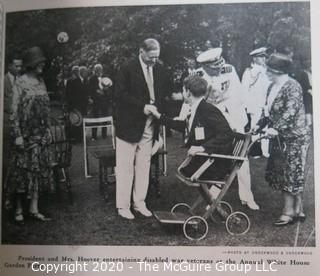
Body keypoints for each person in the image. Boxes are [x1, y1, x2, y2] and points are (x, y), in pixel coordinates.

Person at [195, 47, 260, 210]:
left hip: (233, 117)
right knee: (218, 156)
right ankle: (213, 197)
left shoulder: (229, 71)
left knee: (241, 157)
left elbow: (236, 97)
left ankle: (247, 197)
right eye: (213, 68)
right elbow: (200, 101)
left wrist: (232, 122)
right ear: (206, 67)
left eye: (219, 66)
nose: (218, 70)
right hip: (212, 121)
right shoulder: (199, 75)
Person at [114, 38, 171, 220]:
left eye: (157, 57)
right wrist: (142, 107)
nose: (154, 61)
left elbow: (164, 95)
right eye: (151, 57)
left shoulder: (160, 70)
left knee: (143, 165)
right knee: (125, 168)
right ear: (141, 51)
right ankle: (123, 207)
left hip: (150, 125)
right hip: (128, 125)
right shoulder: (127, 69)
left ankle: (140, 203)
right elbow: (120, 95)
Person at [254, 53, 311, 226]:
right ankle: (298, 210)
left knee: (292, 173)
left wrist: (275, 128)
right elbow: (268, 111)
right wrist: (259, 125)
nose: (266, 73)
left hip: (295, 137)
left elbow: (290, 111)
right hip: (280, 138)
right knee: (285, 173)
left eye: (269, 70)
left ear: (278, 71)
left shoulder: (293, 86)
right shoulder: (272, 87)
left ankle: (289, 212)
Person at [150, 75, 234, 180]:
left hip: (214, 163)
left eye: (183, 91)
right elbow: (182, 126)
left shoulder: (207, 109)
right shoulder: (197, 107)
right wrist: (158, 116)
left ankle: (213, 193)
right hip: (205, 159)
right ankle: (211, 194)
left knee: (185, 172)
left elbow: (227, 133)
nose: (182, 94)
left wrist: (203, 148)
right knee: (184, 171)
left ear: (188, 92)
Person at [9, 46, 53, 223]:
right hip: (24, 135)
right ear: (31, 64)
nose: (42, 64)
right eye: (39, 62)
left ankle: (34, 209)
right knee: (21, 172)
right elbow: (14, 111)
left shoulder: (41, 81)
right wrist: (17, 134)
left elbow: (47, 109)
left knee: (37, 171)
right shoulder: (20, 82)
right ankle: (18, 209)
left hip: (39, 135)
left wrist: (47, 129)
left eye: (42, 61)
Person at [242, 47, 271, 157]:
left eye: (264, 57)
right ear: (254, 58)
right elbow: (244, 89)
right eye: (261, 57)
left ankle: (265, 150)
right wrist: (246, 105)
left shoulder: (266, 70)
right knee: (255, 127)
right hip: (255, 103)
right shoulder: (249, 71)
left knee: (266, 127)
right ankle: (255, 151)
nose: (264, 59)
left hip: (266, 103)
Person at [3, 53, 23, 209]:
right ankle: (6, 195)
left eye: (20, 66)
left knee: (19, 162)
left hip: (19, 125)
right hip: (7, 125)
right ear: (9, 66)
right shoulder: (3, 82)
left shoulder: (21, 81)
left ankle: (18, 196)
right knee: (7, 161)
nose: (19, 68)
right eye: (16, 66)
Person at [88, 64, 113, 140]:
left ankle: (104, 135)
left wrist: (106, 91)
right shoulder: (92, 78)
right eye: (97, 69)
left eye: (100, 69)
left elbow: (109, 88)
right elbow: (90, 89)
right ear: (95, 70)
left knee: (105, 117)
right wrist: (96, 91)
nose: (99, 71)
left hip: (104, 101)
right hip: (96, 102)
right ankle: (94, 136)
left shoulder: (105, 77)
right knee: (95, 118)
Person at [65, 65, 90, 142]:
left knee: (79, 121)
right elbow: (70, 94)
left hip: (79, 105)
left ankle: (78, 138)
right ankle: (75, 138)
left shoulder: (82, 81)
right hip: (76, 104)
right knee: (76, 121)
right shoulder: (74, 81)